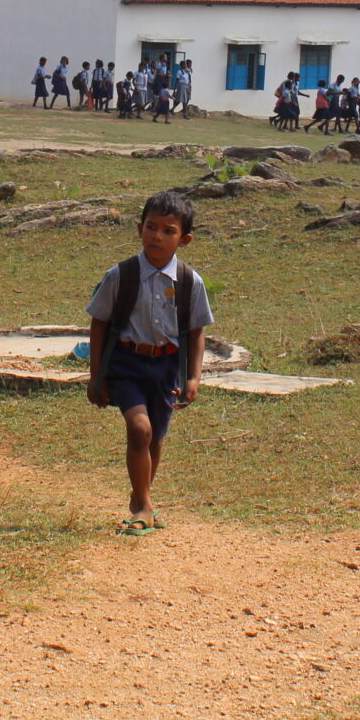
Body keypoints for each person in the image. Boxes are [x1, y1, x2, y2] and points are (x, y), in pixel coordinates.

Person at [84, 191, 213, 537]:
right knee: (139, 429)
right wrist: (97, 376)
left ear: (184, 239)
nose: (157, 236)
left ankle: (142, 497)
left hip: (166, 367)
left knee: (155, 436)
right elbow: (99, 323)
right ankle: (142, 505)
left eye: (169, 231)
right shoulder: (120, 275)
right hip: (126, 363)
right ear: (140, 228)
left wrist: (194, 377)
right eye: (151, 227)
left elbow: (196, 332)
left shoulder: (190, 282)